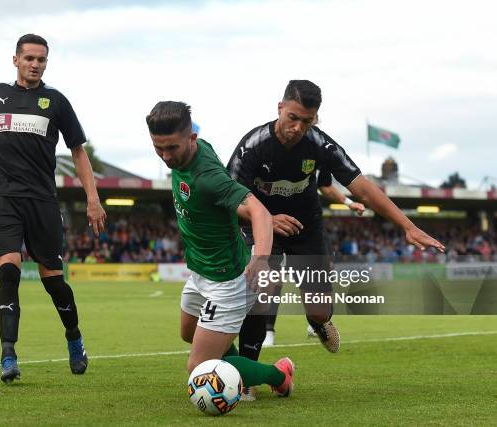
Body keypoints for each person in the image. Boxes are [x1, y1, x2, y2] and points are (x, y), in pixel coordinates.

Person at [227, 80, 444, 399]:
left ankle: (318, 323)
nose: (298, 127)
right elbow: (229, 199)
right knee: (261, 294)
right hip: (261, 225)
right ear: (280, 109)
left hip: (306, 228)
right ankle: (247, 376)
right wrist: (267, 219)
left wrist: (407, 226)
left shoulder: (320, 145)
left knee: (318, 308)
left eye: (307, 120)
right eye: (293, 118)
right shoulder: (252, 146)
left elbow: (363, 187)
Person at [0, 34, 106, 383]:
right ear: (15, 60)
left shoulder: (56, 102)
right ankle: (8, 353)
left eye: (41, 59)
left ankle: (74, 338)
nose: (35, 64)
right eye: (29, 58)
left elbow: (78, 152)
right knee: (8, 270)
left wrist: (93, 198)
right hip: (2, 199)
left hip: (42, 201)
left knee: (53, 281)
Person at [146, 101, 294, 400]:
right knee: (189, 333)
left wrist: (261, 258)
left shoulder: (208, 176)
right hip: (201, 270)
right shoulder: (193, 152)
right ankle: (236, 370)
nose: (165, 157)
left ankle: (278, 375)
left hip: (228, 280)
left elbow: (259, 212)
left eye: (171, 148)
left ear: (192, 139)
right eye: (158, 148)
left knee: (199, 365)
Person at [263, 168, 366, 345]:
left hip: (310, 225)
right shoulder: (274, 153)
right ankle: (268, 331)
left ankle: (316, 322)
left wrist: (348, 202)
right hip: (276, 223)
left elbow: (325, 185)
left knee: (324, 270)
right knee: (273, 278)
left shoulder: (319, 153)